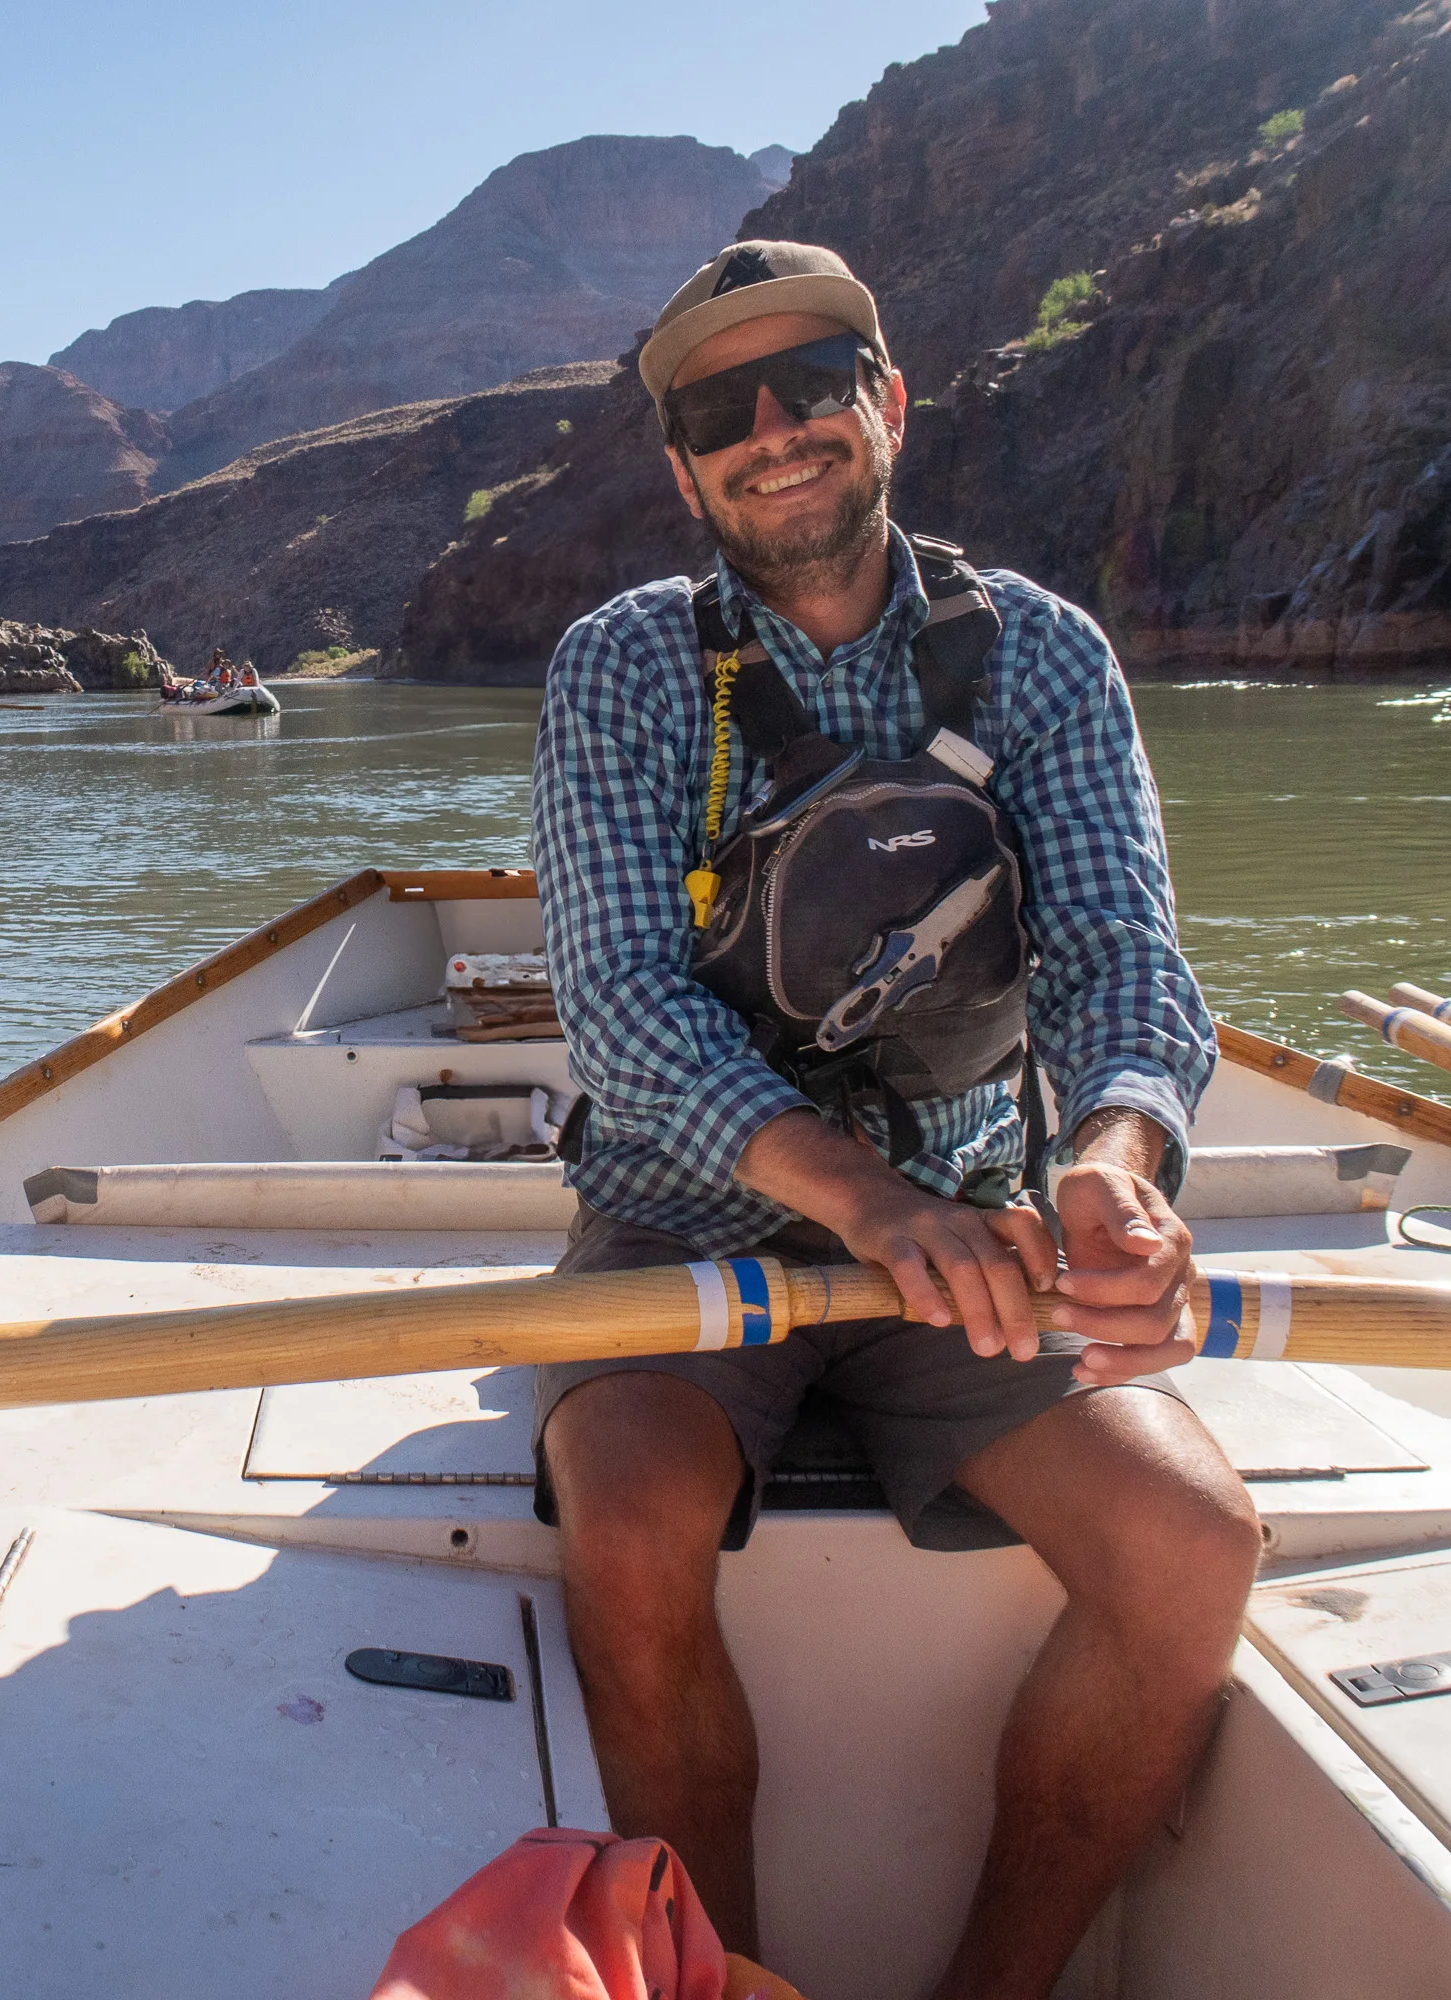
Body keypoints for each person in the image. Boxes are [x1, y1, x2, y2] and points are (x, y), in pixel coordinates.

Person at [529, 240, 1259, 1997]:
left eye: (813, 386)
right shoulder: (624, 670)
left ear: (890, 406)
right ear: (685, 471)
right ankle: (729, 1983)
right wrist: (864, 1203)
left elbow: (1121, 957)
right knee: (627, 1520)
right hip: (689, 1216)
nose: (773, 430)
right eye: (722, 411)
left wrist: (1115, 1162)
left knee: (1190, 1546)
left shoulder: (1044, 656)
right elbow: (622, 1009)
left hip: (981, 1219)